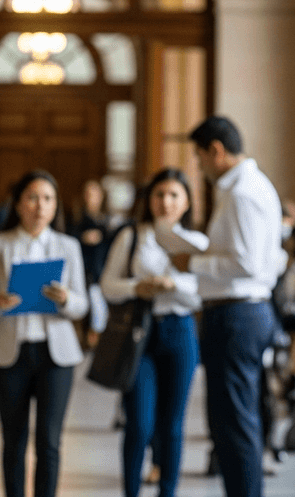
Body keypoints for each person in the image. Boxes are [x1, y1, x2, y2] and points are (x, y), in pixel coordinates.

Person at [169, 115, 286, 497]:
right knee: (231, 421)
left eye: (200, 158)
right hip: (240, 310)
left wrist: (194, 262)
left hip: (237, 314)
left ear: (216, 151)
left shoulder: (242, 192)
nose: (199, 167)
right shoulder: (247, 187)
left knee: (234, 423)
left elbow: (248, 262)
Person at [0, 170, 89, 497]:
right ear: (18, 204)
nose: (40, 206)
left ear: (56, 206)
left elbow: (82, 305)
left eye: (48, 199)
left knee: (49, 441)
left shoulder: (68, 246)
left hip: (56, 356)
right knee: (14, 439)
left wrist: (66, 299)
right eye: (33, 198)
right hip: (10, 353)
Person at [101, 168, 208, 497]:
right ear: (149, 200)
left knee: (172, 424)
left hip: (180, 331)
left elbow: (206, 291)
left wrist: (173, 284)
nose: (166, 202)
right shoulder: (131, 235)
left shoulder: (199, 243)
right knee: (139, 423)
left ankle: (167, 491)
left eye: (174, 195)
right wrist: (139, 287)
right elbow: (108, 286)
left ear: (187, 201)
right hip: (140, 334)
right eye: (159, 194)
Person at [70, 179, 116, 348]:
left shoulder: (106, 220)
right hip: (83, 268)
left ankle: (96, 336)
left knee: (99, 305)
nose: (91, 198)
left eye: (94, 194)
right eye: (87, 194)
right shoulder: (76, 218)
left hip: (101, 268)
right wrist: (83, 238)